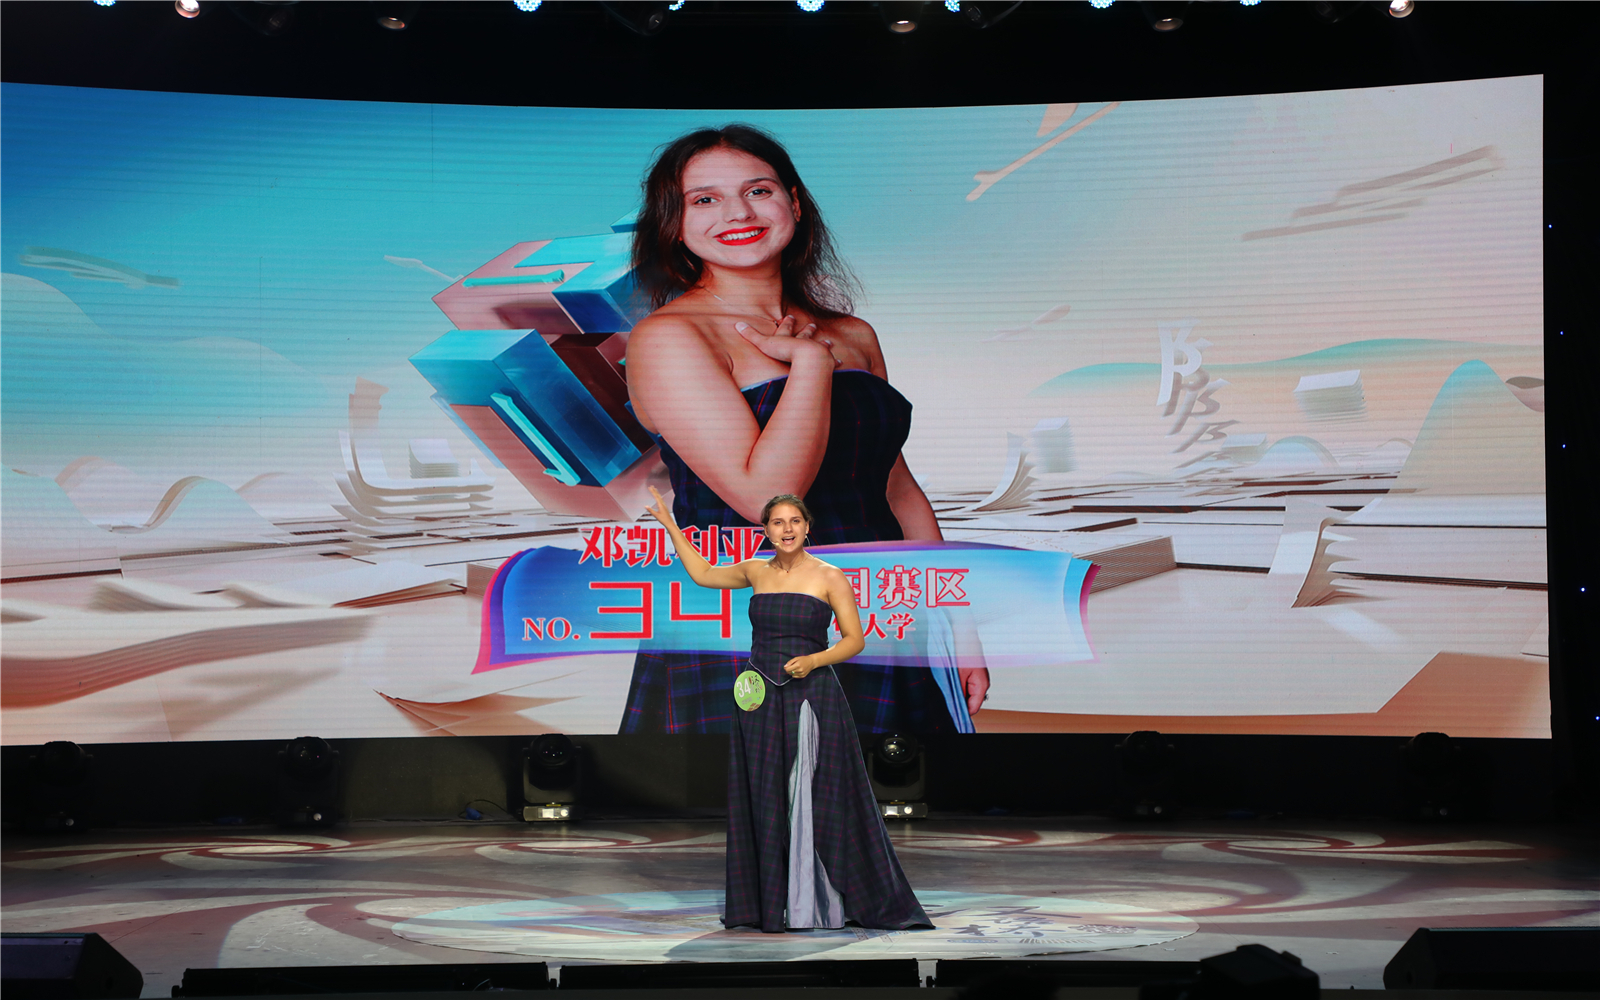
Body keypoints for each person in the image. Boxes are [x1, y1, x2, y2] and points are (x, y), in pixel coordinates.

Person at [619, 123, 989, 735]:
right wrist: (811, 365)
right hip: (748, 619)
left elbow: (896, 491)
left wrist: (959, 623)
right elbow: (769, 499)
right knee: (759, 790)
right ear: (674, 224)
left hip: (878, 611)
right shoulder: (670, 337)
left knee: (892, 790)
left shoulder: (853, 334)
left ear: (792, 202)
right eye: (705, 199)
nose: (738, 213)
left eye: (758, 190)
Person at [648, 486, 932, 932]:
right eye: (778, 522)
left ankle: (817, 901)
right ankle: (769, 903)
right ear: (765, 530)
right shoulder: (755, 570)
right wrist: (670, 526)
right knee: (764, 795)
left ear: (807, 527)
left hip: (811, 695)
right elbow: (703, 574)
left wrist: (814, 660)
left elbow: (855, 640)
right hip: (758, 697)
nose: (787, 530)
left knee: (812, 793)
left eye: (794, 522)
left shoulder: (829, 576)